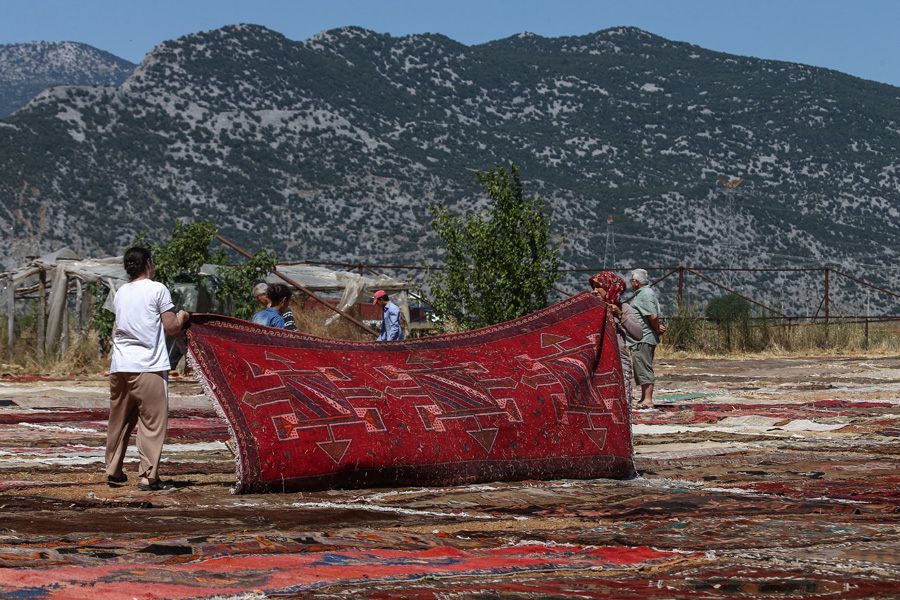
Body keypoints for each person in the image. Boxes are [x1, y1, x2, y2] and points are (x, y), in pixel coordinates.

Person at [106, 247, 189, 491]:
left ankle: (113, 470)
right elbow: (172, 327)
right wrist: (183, 315)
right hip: (148, 365)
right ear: (149, 264)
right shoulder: (157, 289)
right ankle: (149, 477)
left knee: (119, 420)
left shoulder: (121, 292)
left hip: (120, 365)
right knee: (152, 422)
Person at [589, 272, 643, 407]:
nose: (594, 291)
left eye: (598, 287)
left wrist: (619, 315)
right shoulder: (592, 309)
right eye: (593, 287)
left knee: (620, 408)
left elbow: (638, 334)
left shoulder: (623, 308)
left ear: (609, 288)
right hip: (594, 369)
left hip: (618, 368)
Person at [625, 268, 666, 409]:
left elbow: (653, 316)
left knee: (644, 366)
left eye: (632, 280)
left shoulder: (645, 294)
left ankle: (648, 399)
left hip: (644, 337)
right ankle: (644, 398)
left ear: (636, 282)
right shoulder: (643, 294)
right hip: (640, 337)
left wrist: (655, 328)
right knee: (640, 366)